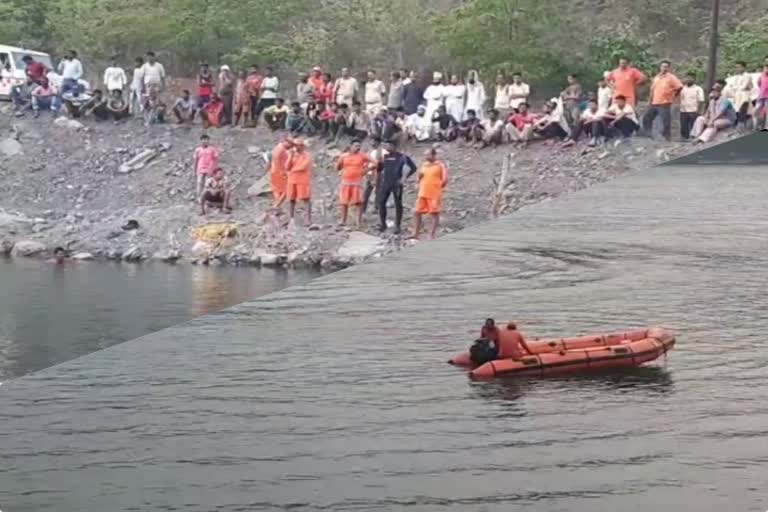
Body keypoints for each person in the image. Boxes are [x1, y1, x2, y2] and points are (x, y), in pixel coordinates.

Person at [377, 139, 417, 234]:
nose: (387, 148)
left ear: (394, 146)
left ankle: (397, 226)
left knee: (398, 204)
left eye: (389, 146)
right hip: (386, 183)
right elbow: (379, 169)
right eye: (386, 146)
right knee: (381, 202)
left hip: (397, 184)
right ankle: (383, 224)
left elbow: (413, 168)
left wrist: (404, 178)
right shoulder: (385, 157)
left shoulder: (402, 157)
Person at [412, 147, 448, 240]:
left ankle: (431, 234)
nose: (426, 157)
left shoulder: (440, 165)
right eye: (425, 155)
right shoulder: (424, 165)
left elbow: (445, 179)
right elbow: (419, 176)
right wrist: (418, 179)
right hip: (423, 192)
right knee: (417, 212)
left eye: (428, 155)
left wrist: (438, 186)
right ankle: (415, 233)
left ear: (434, 155)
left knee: (434, 214)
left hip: (434, 193)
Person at [643, 60, 683, 141]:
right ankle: (648, 134)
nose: (664, 68)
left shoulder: (671, 77)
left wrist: (674, 96)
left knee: (666, 121)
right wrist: (649, 101)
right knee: (647, 118)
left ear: (669, 68)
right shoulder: (656, 77)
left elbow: (679, 87)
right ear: (660, 67)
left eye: (666, 67)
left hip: (665, 102)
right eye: (663, 66)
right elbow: (652, 90)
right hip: (654, 102)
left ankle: (667, 137)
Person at [337, 139, 372, 227]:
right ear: (351, 146)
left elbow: (374, 162)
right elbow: (338, 166)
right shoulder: (344, 156)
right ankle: (343, 220)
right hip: (346, 182)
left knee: (359, 202)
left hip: (357, 182)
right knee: (344, 202)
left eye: (359, 146)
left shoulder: (362, 156)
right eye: (356, 146)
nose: (358, 148)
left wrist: (366, 170)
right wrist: (342, 170)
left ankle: (358, 221)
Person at [286, 138, 313, 225]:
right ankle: (291, 218)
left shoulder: (307, 155)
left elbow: (303, 167)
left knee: (306, 199)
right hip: (292, 180)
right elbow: (287, 167)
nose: (296, 147)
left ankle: (307, 219)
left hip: (302, 180)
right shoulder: (292, 155)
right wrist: (290, 156)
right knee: (291, 199)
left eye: (298, 145)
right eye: (295, 145)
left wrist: (292, 170)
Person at [723, 61, 753, 129]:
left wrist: (735, 88)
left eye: (739, 67)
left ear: (744, 67)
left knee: (742, 96)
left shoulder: (747, 75)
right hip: (737, 93)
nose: (737, 69)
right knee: (725, 91)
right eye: (736, 67)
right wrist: (734, 88)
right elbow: (733, 86)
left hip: (744, 93)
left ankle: (740, 121)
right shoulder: (737, 76)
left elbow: (744, 87)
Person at [193, 134, 221, 199]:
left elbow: (216, 159)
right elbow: (195, 160)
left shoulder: (212, 149)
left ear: (208, 141)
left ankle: (205, 197)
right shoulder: (198, 150)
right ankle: (198, 197)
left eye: (206, 140)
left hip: (209, 169)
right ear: (201, 141)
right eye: (203, 140)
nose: (205, 141)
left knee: (207, 183)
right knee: (199, 182)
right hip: (200, 168)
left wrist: (214, 169)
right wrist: (194, 170)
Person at [679, 73, 705, 140]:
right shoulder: (682, 88)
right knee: (684, 125)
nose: (688, 79)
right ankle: (684, 138)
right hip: (683, 110)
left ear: (694, 79)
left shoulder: (698, 89)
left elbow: (701, 100)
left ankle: (693, 139)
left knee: (693, 126)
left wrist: (698, 111)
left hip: (694, 110)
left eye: (690, 78)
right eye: (687, 78)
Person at [270, 136, 293, 207]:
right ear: (284, 141)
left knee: (277, 190)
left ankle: (277, 205)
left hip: (274, 171)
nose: (291, 146)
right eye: (290, 144)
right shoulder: (281, 150)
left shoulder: (278, 148)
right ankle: (277, 205)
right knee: (286, 189)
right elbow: (279, 162)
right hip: (279, 172)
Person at [755, 64, 768, 131]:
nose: (766, 70)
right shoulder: (761, 76)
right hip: (761, 96)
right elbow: (759, 84)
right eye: (765, 68)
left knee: (766, 111)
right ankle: (757, 125)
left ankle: (765, 127)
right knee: (757, 110)